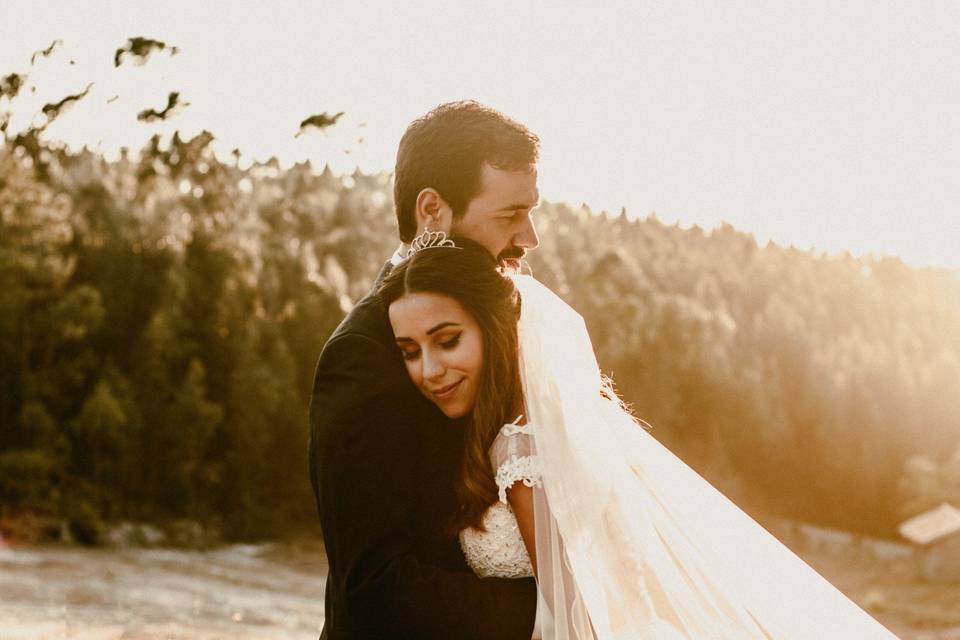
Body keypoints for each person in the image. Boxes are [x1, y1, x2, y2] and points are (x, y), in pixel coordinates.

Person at [379, 236, 902, 639]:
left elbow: (572, 617)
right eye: (409, 350)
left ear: (493, 330)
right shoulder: (545, 429)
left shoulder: (522, 449)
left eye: (447, 341)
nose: (429, 369)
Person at [308, 101, 542, 639]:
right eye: (509, 215)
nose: (528, 238)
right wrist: (561, 610)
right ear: (433, 211)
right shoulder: (361, 355)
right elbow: (373, 584)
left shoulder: (503, 333)